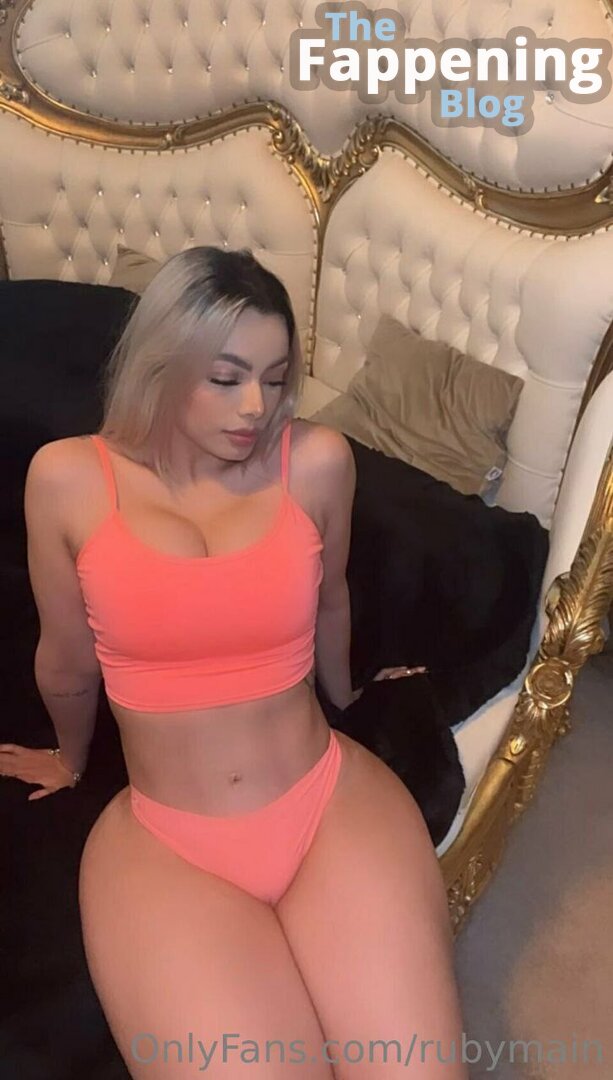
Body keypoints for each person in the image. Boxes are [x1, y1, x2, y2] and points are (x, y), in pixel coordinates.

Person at [0, 247, 468, 1079]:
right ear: (161, 365)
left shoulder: (317, 461)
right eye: (225, 378)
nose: (256, 406)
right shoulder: (67, 478)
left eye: (275, 378)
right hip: (168, 844)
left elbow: (330, 602)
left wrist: (349, 693)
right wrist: (70, 763)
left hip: (327, 803)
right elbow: (66, 660)